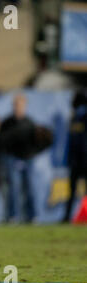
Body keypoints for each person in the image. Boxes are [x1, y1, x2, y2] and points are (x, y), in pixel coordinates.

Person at [0, 94, 38, 223]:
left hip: (27, 159)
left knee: (30, 188)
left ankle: (31, 216)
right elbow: (2, 141)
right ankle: (13, 216)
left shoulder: (30, 122)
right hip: (12, 158)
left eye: (20, 105)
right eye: (16, 105)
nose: (18, 108)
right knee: (13, 189)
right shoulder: (7, 123)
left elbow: (36, 142)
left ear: (24, 106)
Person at [63, 89, 87, 223]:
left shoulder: (83, 117)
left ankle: (73, 216)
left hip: (83, 159)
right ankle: (67, 216)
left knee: (76, 190)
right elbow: (71, 141)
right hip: (76, 160)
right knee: (71, 190)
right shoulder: (74, 118)